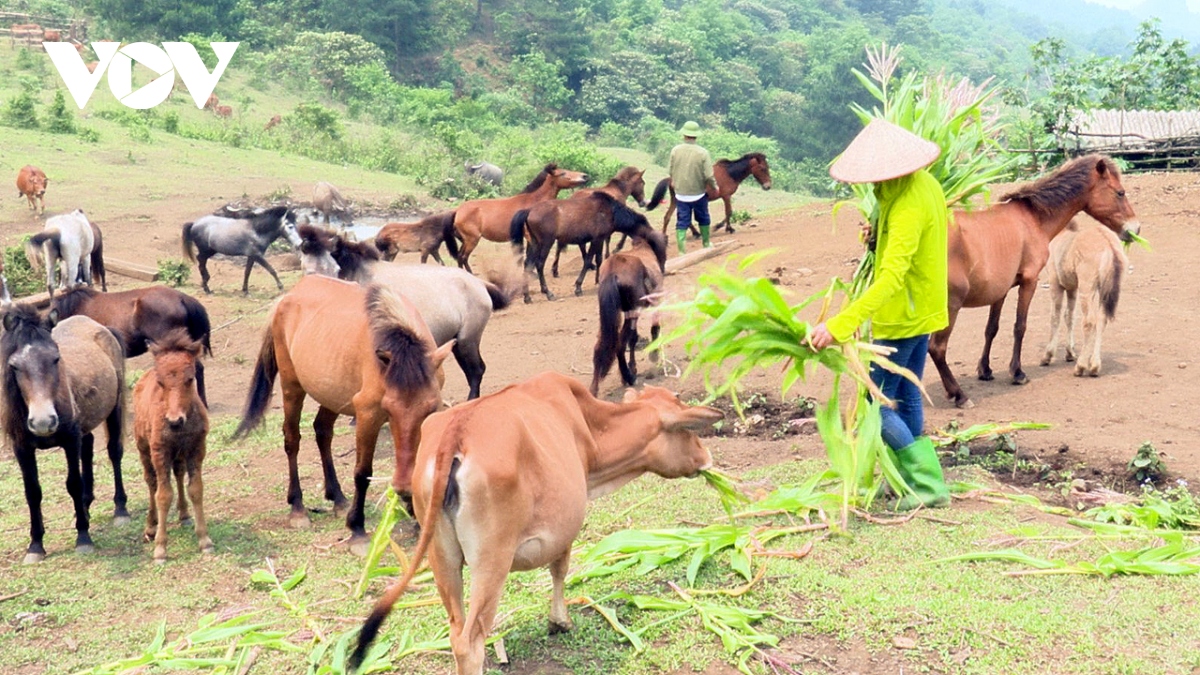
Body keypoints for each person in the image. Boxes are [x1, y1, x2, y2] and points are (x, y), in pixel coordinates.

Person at [809, 119, 950, 510]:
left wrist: (840, 324)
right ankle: (910, 481)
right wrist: (876, 239)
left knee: (873, 407)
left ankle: (928, 487)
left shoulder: (905, 204)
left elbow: (890, 278)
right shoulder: (923, 186)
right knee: (907, 395)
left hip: (900, 316)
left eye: (875, 176)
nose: (871, 184)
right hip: (922, 310)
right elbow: (920, 241)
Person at [667, 120, 718, 254]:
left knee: (682, 220)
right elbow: (708, 175)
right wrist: (715, 187)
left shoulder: (675, 150)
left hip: (680, 194)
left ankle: (682, 251)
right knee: (703, 218)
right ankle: (706, 243)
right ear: (696, 135)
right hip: (699, 194)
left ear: (684, 134)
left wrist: (675, 183)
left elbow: (670, 171)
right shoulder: (703, 153)